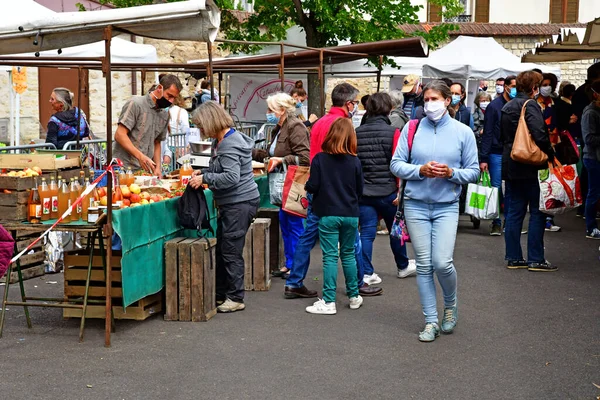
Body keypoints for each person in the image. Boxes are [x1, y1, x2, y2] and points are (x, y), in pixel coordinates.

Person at [390, 80, 479, 342]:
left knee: (443, 262)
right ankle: (430, 321)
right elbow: (396, 164)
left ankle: (450, 305)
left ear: (447, 101)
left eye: (434, 99)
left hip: (447, 206)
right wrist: (419, 170)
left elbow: (473, 171)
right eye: (425, 100)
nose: (429, 104)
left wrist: (452, 173)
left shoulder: (463, 132)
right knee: (425, 265)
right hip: (415, 204)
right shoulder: (412, 128)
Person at [284, 82, 382, 299]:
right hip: (337, 192)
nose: (356, 106)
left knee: (308, 236)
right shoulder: (342, 123)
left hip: (317, 187)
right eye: (355, 103)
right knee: (350, 241)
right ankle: (356, 283)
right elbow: (344, 156)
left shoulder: (319, 122)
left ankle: (294, 281)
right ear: (348, 103)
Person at [188, 101, 259, 313]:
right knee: (225, 249)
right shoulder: (223, 141)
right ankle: (222, 293)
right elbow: (224, 168)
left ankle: (235, 297)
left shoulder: (228, 143)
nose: (200, 130)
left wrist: (205, 178)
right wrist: (204, 173)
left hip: (239, 203)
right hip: (235, 203)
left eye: (201, 125)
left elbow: (231, 176)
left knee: (230, 251)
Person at [304, 118, 364, 314]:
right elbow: (360, 189)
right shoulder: (355, 161)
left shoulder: (320, 159)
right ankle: (354, 296)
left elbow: (312, 186)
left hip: (328, 213)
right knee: (348, 255)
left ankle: (329, 301)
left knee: (330, 256)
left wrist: (308, 185)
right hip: (351, 214)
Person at [355, 92, 416, 284]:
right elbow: (398, 164)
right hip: (388, 192)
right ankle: (402, 266)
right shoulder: (393, 132)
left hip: (364, 192)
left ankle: (366, 272)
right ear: (388, 109)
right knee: (395, 230)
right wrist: (400, 192)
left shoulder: (357, 132)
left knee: (366, 232)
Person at [501, 70, 556, 272]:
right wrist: (550, 153)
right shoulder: (530, 105)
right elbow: (539, 134)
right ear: (534, 87)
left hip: (512, 164)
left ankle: (514, 257)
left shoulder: (507, 106)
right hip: (531, 165)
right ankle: (536, 258)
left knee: (514, 213)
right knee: (537, 211)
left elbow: (503, 136)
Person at [265, 93, 310, 280]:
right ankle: (290, 263)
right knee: (286, 223)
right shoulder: (279, 127)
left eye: (271, 109)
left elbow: (305, 157)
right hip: (283, 185)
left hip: (292, 184)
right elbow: (271, 152)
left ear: (282, 110)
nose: (268, 113)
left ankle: (296, 267)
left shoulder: (295, 126)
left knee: (294, 225)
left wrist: (281, 159)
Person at [113, 74, 182, 175]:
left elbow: (157, 142)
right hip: (122, 168)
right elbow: (119, 135)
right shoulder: (136, 104)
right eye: (169, 95)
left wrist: (158, 167)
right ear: (159, 88)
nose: (171, 101)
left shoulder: (164, 114)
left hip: (144, 172)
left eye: (174, 98)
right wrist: (140, 156)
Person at [480, 75, 517, 236]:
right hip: (496, 152)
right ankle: (496, 222)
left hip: (513, 152)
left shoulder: (517, 105)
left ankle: (509, 221)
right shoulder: (494, 106)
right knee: (495, 189)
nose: (515, 89)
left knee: (511, 188)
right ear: (507, 87)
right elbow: (487, 132)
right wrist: (484, 157)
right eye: (513, 86)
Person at [572, 63, 600, 217]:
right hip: (591, 150)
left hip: (592, 149)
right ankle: (586, 214)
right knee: (591, 185)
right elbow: (589, 136)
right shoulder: (588, 106)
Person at [537, 72, 562, 233]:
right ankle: (541, 215)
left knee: (553, 183)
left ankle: (549, 217)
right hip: (540, 148)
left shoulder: (555, 102)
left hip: (554, 147)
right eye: (543, 84)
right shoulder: (534, 102)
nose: (546, 87)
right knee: (542, 183)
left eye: (549, 84)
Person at [581, 80, 600, 239]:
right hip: (593, 159)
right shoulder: (590, 113)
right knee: (593, 193)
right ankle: (591, 227)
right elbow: (589, 138)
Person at [163, 95, 191, 167]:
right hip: (180, 147)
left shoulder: (163, 110)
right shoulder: (182, 112)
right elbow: (186, 130)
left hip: (166, 146)